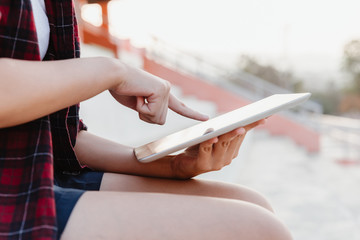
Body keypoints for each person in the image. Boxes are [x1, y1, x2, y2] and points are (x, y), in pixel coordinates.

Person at [0, 0, 293, 239]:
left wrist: (172, 165)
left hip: (37, 172)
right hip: (10, 190)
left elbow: (62, 137)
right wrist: (112, 71)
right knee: (258, 230)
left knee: (252, 204)